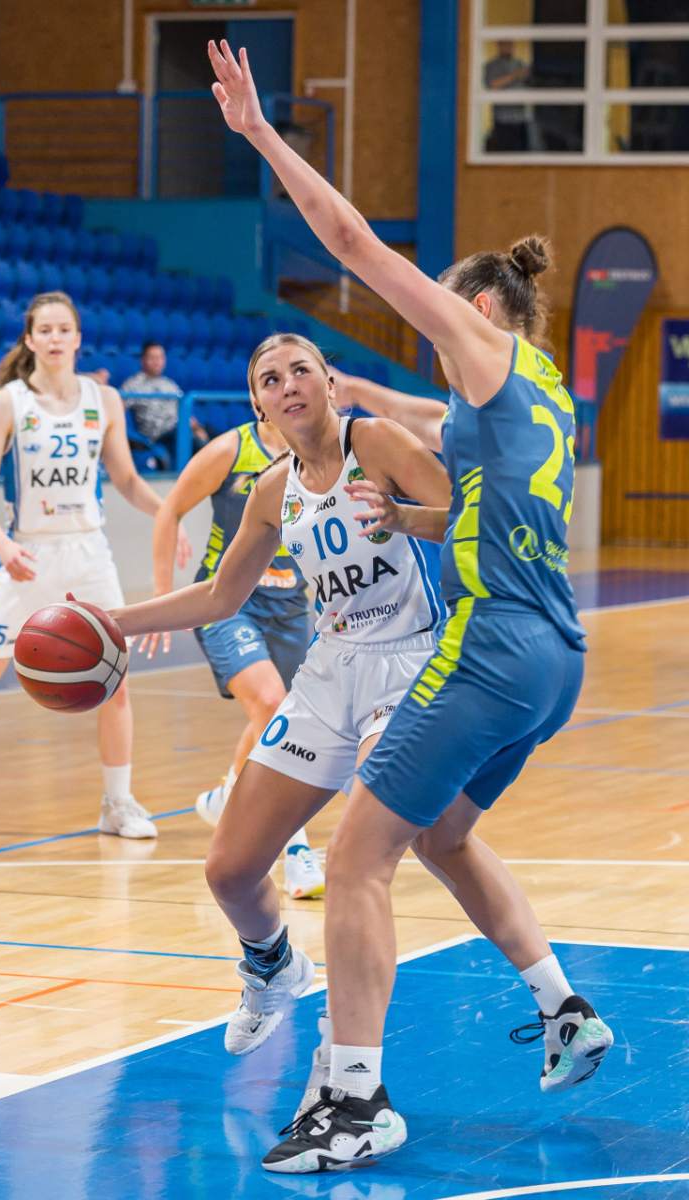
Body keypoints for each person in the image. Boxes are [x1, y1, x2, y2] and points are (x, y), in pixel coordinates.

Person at [207, 38, 614, 1175]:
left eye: (443, 309)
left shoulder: (480, 347)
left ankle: (354, 1100)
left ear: (477, 309)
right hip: (556, 656)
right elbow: (437, 447)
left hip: (487, 649)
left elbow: (349, 241)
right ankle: (564, 1005)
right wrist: (359, 412)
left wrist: (259, 133)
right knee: (438, 834)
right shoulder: (542, 395)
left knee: (352, 862)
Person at [102, 330, 449, 1059]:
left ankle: (352, 1061)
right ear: (258, 403)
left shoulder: (377, 442)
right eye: (270, 378)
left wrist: (404, 518)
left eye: (301, 370)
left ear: (329, 382)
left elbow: (465, 515)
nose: (288, 384)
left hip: (409, 663)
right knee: (228, 870)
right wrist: (115, 621)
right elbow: (220, 595)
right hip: (331, 670)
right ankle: (272, 966)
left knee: (361, 857)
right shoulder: (269, 490)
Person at [0, 291, 188, 842]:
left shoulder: (104, 399)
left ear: (78, 338)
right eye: (44, 330)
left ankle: (117, 804)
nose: (54, 338)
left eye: (63, 329)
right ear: (30, 339)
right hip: (27, 555)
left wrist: (168, 514)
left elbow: (125, 479)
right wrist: (1, 544)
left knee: (116, 684)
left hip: (89, 553)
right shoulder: (8, 402)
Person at [139, 400, 326, 899]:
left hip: (291, 604)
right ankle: (295, 848)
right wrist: (162, 595)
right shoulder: (230, 450)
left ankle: (228, 795)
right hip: (227, 601)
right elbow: (170, 508)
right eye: (271, 381)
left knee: (277, 716)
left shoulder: (326, 452)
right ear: (258, 400)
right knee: (271, 704)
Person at [122, 342, 208, 448]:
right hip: (159, 436)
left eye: (160, 358)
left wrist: (197, 428)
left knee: (213, 433)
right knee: (192, 440)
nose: (157, 362)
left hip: (181, 429)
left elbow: (186, 412)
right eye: (152, 358)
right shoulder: (133, 385)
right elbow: (118, 406)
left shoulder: (170, 384)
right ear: (143, 360)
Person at [484, 40, 531, 153]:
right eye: (505, 44)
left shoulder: (520, 63)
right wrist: (514, 75)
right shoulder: (492, 65)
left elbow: (530, 84)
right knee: (504, 152)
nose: (508, 47)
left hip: (521, 117)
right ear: (499, 46)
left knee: (522, 153)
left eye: (510, 44)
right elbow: (493, 85)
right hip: (503, 118)